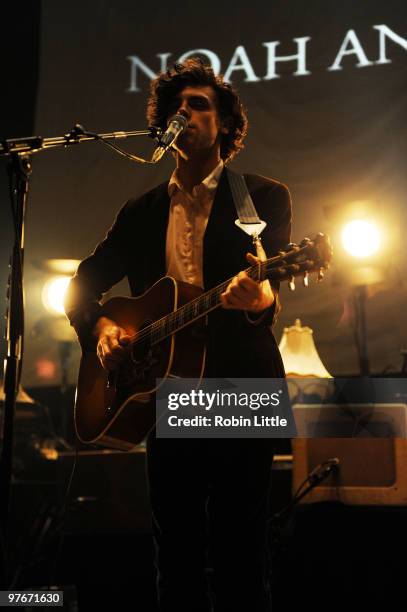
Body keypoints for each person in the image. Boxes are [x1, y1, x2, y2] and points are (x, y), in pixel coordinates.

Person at [65, 59, 292, 612]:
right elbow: (80, 286)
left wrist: (259, 298)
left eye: (199, 105)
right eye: (175, 107)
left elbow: (270, 291)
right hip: (167, 392)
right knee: (177, 560)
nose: (184, 114)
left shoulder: (260, 197)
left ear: (226, 125)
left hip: (241, 388)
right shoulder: (140, 211)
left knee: (243, 557)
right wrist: (101, 329)